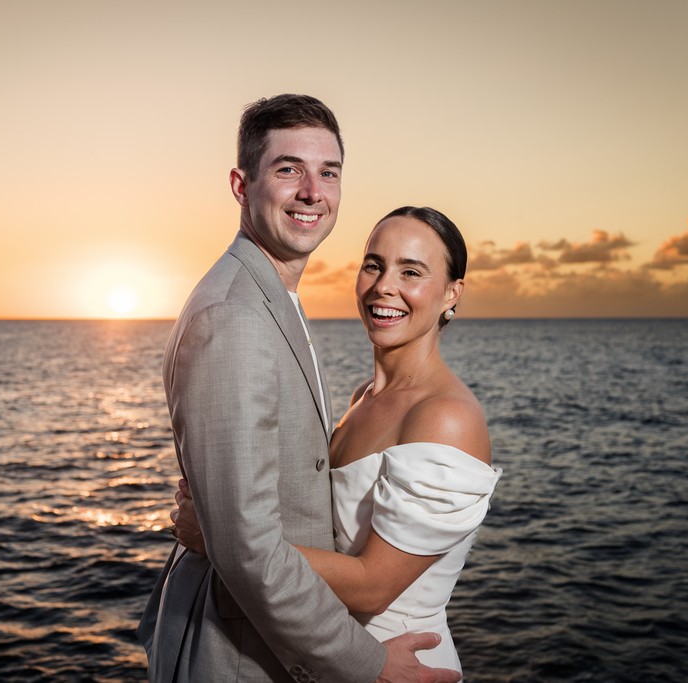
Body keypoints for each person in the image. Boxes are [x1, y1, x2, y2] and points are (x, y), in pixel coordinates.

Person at [137, 95, 461, 682]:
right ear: (241, 186)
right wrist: (367, 664)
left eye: (328, 173)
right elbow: (248, 550)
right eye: (289, 169)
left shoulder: (270, 299)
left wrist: (217, 533)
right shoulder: (235, 317)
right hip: (239, 652)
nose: (313, 191)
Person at [172, 206, 502, 679]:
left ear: (452, 293)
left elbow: (373, 587)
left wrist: (222, 540)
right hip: (339, 657)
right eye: (374, 265)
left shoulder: (446, 418)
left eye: (411, 272)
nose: (384, 286)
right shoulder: (364, 397)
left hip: (400, 662)